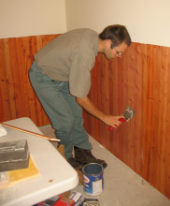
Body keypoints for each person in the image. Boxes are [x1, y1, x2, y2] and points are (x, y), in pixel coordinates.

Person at [29, 24, 131, 171]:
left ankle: (82, 151)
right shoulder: (86, 54)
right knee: (65, 122)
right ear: (109, 43)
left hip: (63, 76)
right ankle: (65, 158)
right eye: (119, 52)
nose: (119, 56)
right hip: (43, 76)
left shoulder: (92, 36)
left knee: (76, 115)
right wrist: (104, 117)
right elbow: (81, 98)